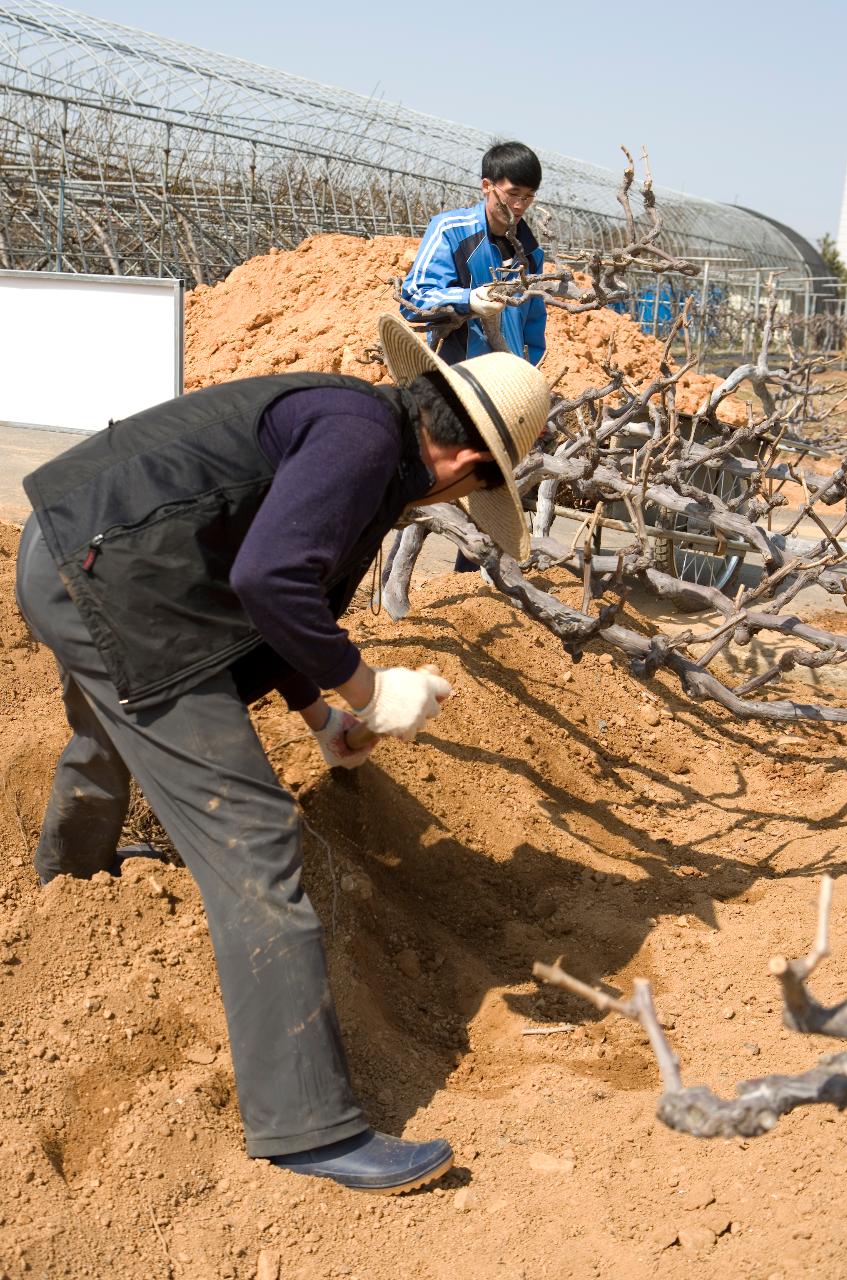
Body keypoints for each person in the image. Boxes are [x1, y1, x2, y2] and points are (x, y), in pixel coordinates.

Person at [15, 314, 550, 1195]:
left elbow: (259, 594)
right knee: (256, 839)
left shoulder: (359, 425)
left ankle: (72, 884)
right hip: (115, 584)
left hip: (79, 554)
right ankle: (307, 1129)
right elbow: (270, 581)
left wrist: (317, 713)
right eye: (470, 494)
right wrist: (372, 692)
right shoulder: (362, 444)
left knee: (118, 723)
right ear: (464, 467)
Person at [400, 140, 546, 571]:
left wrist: (525, 369)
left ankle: (472, 584)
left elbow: (534, 324)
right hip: (454, 383)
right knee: (433, 487)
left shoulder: (529, 250)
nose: (520, 205)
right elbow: (414, 299)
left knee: (491, 492)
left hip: (504, 390)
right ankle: (397, 580)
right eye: (513, 194)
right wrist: (468, 300)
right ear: (487, 186)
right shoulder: (452, 231)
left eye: (529, 197)